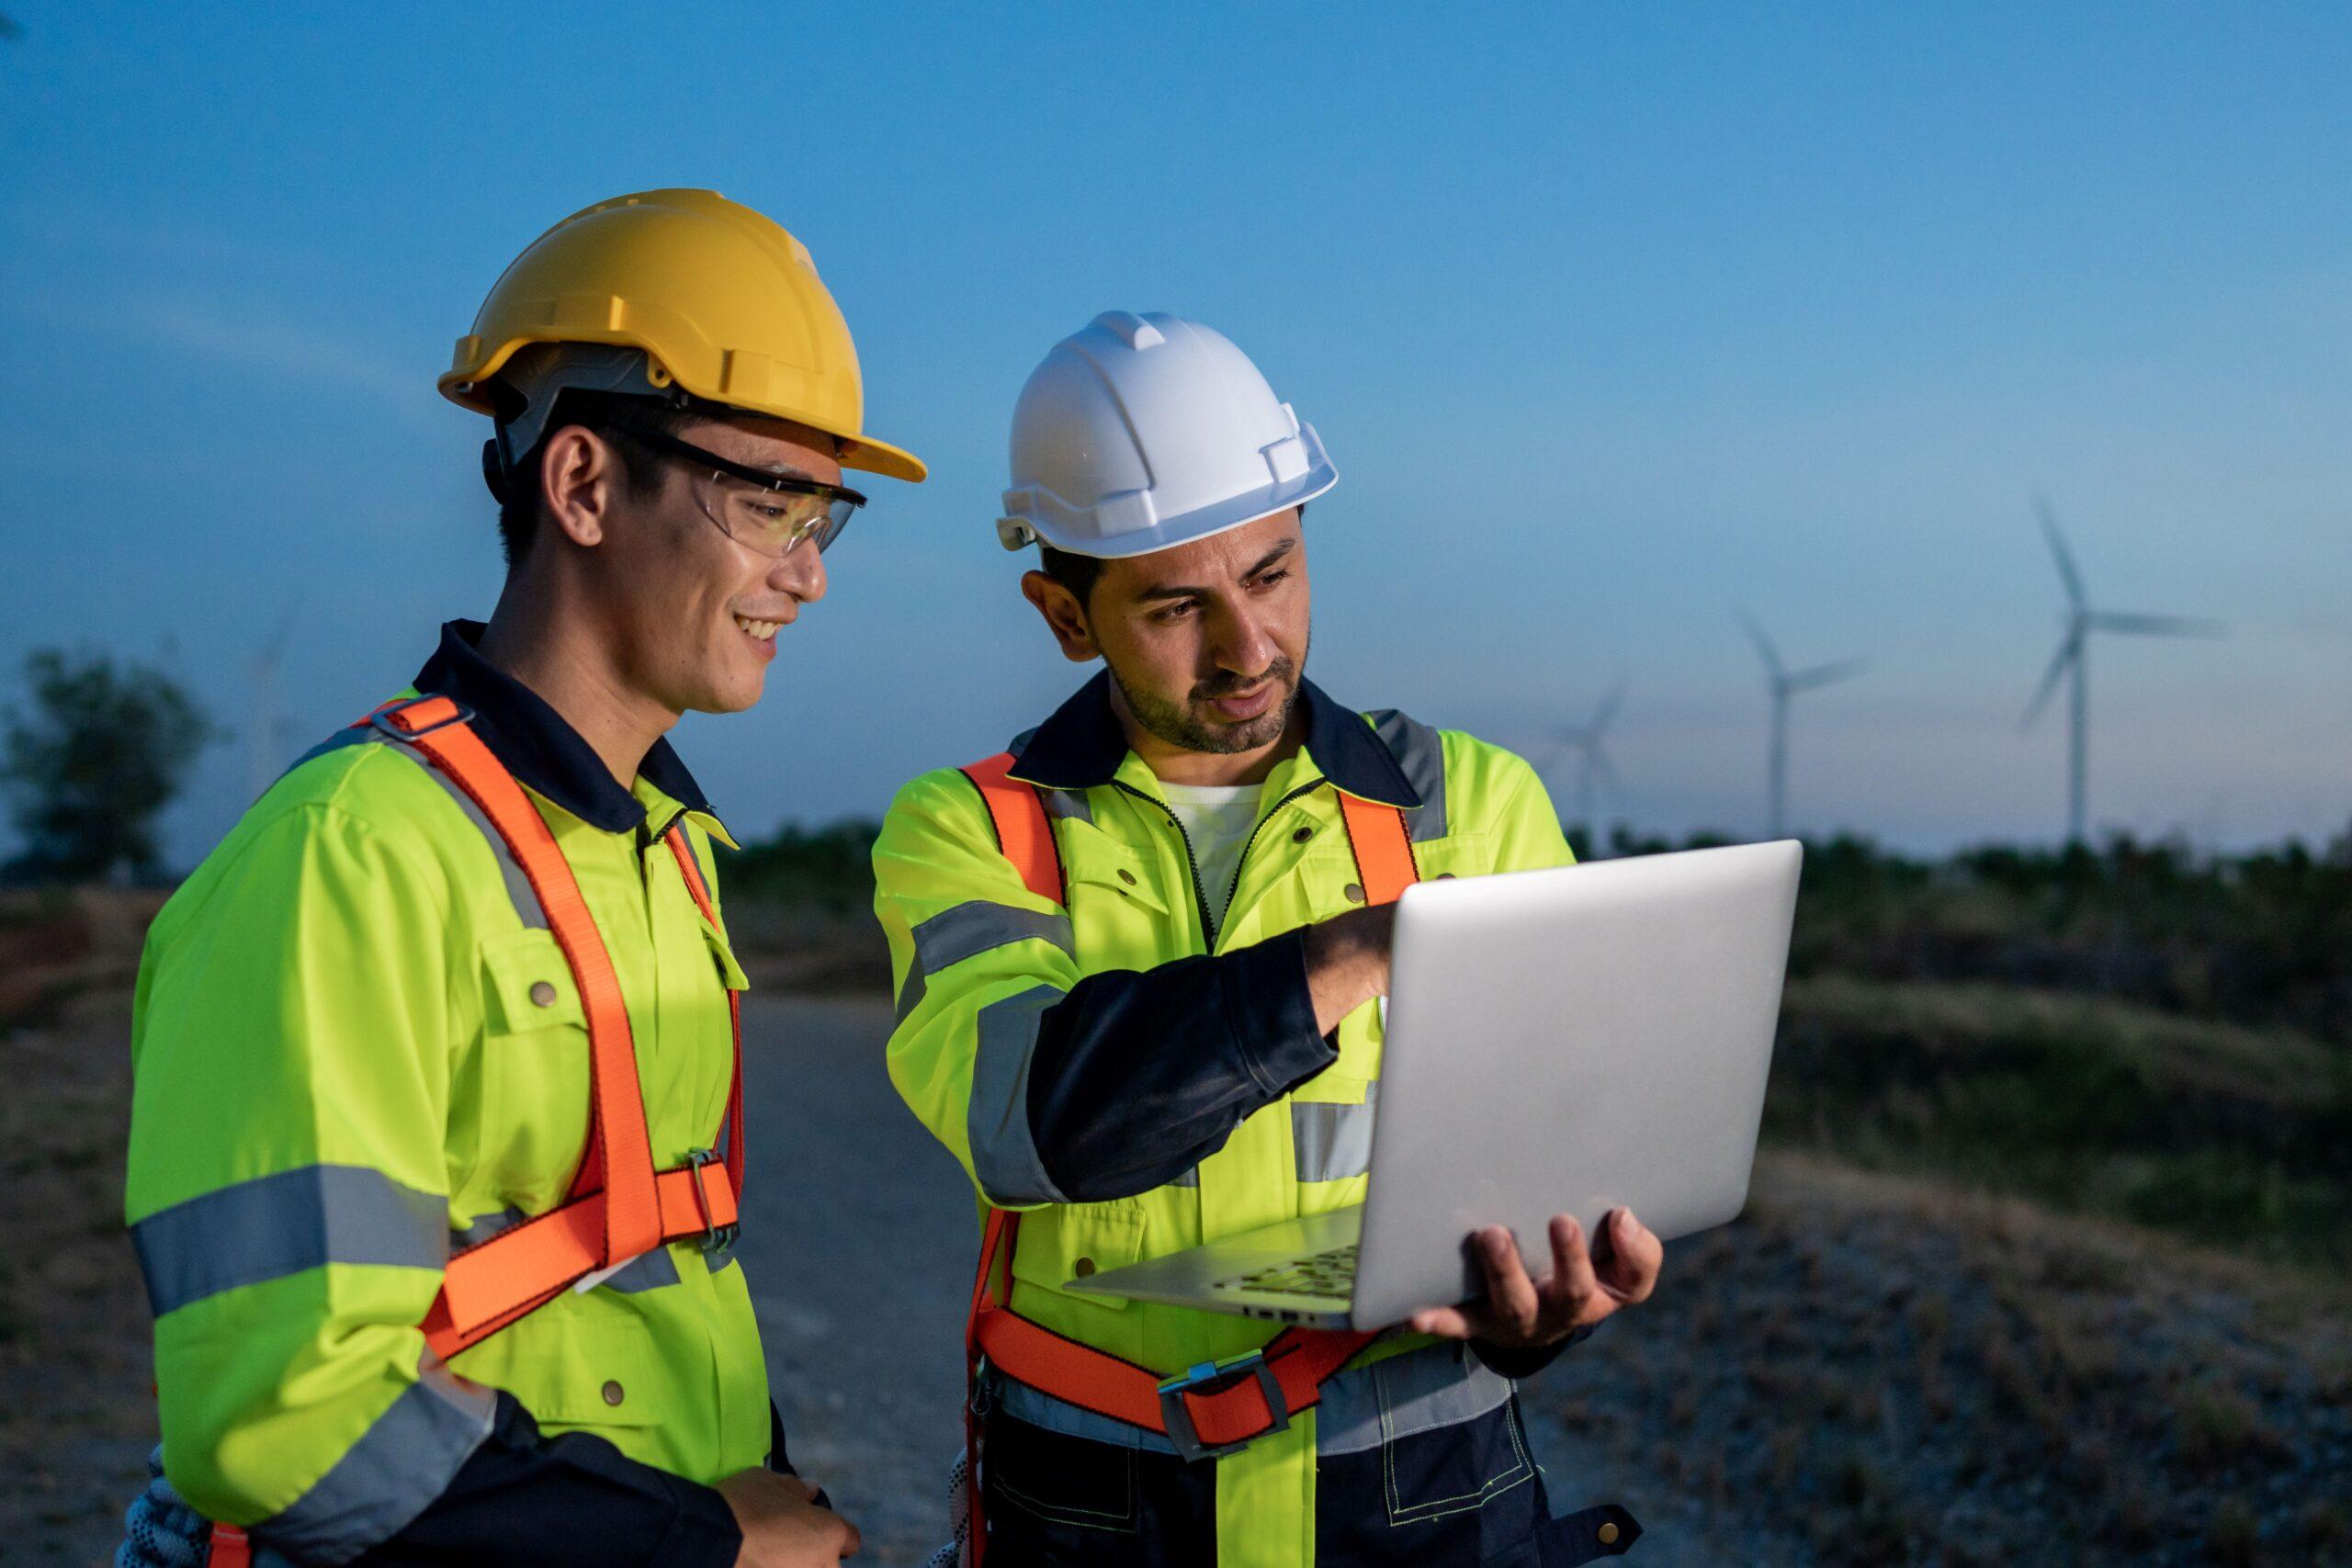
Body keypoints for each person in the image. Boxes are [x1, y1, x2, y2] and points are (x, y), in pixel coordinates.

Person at [119, 188, 922, 1567]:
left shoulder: (663, 850)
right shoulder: (350, 858)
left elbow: (650, 1287)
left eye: (824, 517)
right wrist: (701, 1540)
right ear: (584, 485)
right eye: (766, 501)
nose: (808, 575)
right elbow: (281, 1419)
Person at [872, 311, 1665, 1568]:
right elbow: (1042, 1120)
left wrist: (1540, 1318)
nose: (1249, 650)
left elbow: (1553, 1166)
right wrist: (1359, 947)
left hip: (1422, 1488)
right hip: (1100, 1509)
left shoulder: (1473, 803)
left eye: (1273, 574)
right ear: (1064, 615)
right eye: (1177, 607)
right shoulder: (971, 829)